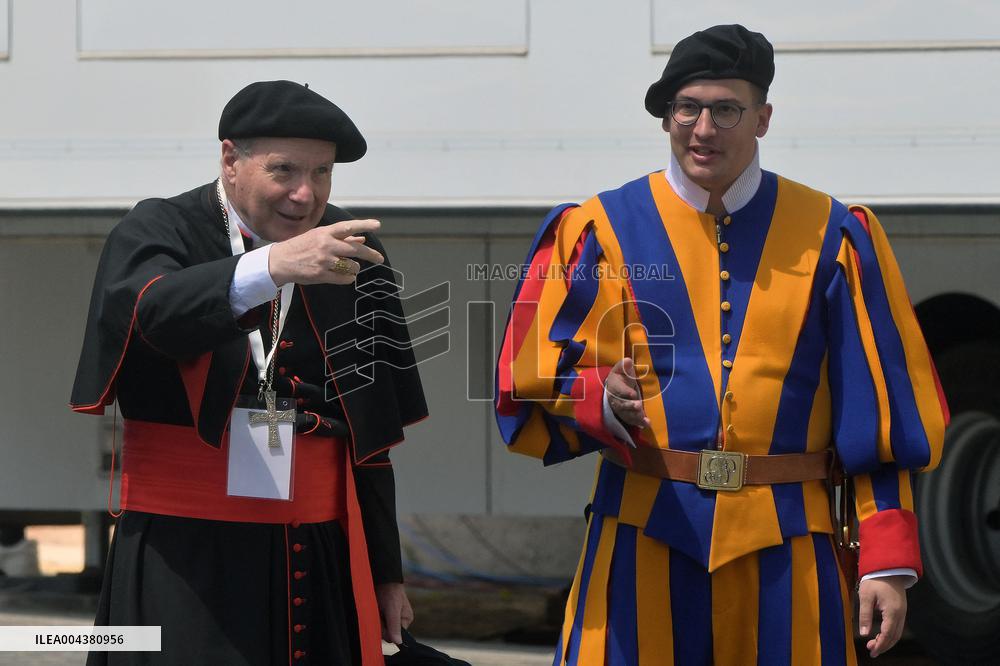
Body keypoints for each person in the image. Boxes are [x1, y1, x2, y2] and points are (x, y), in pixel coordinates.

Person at [495, 25, 947, 665]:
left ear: (763, 118)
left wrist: (887, 562)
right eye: (688, 108)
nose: (703, 128)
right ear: (667, 119)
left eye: (726, 109)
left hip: (793, 543)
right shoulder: (595, 229)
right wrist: (598, 397)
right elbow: (530, 372)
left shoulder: (835, 235)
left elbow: (881, 414)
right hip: (640, 536)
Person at [71, 80, 428, 665]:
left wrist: (387, 575)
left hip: (317, 553)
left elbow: (372, 440)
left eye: (322, 173)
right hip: (183, 553)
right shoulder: (159, 228)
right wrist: (270, 266)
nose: (304, 195)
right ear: (230, 160)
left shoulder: (351, 250)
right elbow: (151, 314)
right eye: (284, 170)